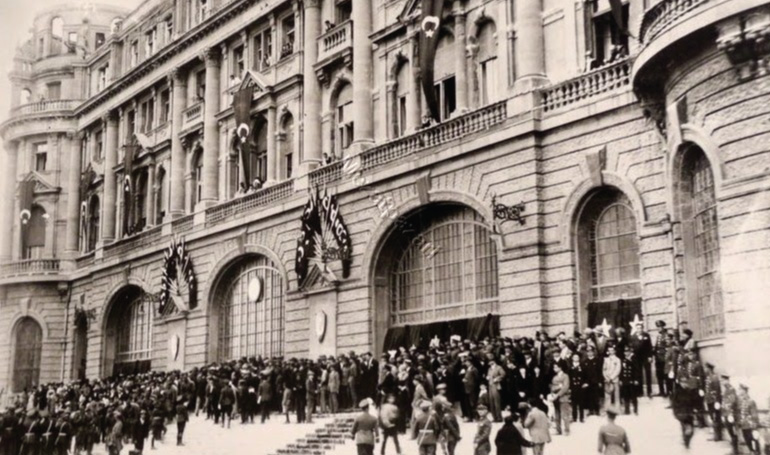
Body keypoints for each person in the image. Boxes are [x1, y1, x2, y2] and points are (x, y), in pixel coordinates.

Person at [736, 384, 760, 454]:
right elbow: (740, 413)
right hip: (744, 426)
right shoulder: (741, 401)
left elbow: (754, 415)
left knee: (754, 442)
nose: (739, 391)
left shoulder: (751, 401)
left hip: (750, 426)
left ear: (744, 391)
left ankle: (756, 453)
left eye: (740, 389)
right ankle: (752, 452)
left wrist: (754, 428)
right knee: (748, 441)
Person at [549, 362, 571, 436]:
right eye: (554, 367)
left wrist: (557, 395)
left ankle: (567, 430)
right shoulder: (554, 377)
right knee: (557, 415)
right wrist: (559, 386)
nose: (554, 369)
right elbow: (552, 388)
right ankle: (558, 430)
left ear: (560, 368)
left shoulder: (565, 376)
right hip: (555, 398)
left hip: (563, 397)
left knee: (565, 414)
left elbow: (565, 387)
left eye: (556, 367)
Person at [702, 362, 722, 441]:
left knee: (716, 418)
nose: (705, 369)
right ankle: (715, 435)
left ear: (709, 369)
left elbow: (717, 390)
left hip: (714, 401)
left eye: (706, 368)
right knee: (712, 418)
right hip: (709, 400)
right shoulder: (708, 377)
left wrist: (717, 401)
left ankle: (717, 436)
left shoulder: (714, 377)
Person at [619, 347, 640, 415]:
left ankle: (635, 409)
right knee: (626, 396)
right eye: (625, 352)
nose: (626, 353)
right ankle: (627, 409)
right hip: (625, 380)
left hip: (632, 380)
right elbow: (621, 371)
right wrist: (621, 380)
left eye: (628, 352)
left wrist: (636, 379)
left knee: (633, 396)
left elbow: (636, 371)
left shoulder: (634, 360)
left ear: (630, 352)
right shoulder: (622, 360)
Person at [603, 345, 621, 409]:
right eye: (609, 350)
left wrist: (611, 377)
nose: (611, 352)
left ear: (615, 351)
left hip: (614, 379)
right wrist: (606, 377)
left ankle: (617, 408)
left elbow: (618, 370)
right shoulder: (606, 359)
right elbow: (604, 369)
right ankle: (608, 408)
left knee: (616, 395)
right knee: (607, 395)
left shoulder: (617, 359)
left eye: (612, 350)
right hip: (607, 380)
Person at [653, 321, 668, 396]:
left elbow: (667, 348)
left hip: (664, 359)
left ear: (663, 327)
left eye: (660, 327)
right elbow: (656, 347)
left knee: (666, 376)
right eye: (657, 327)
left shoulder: (666, 335)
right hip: (658, 359)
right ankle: (661, 391)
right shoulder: (658, 336)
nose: (658, 328)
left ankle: (668, 392)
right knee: (659, 375)